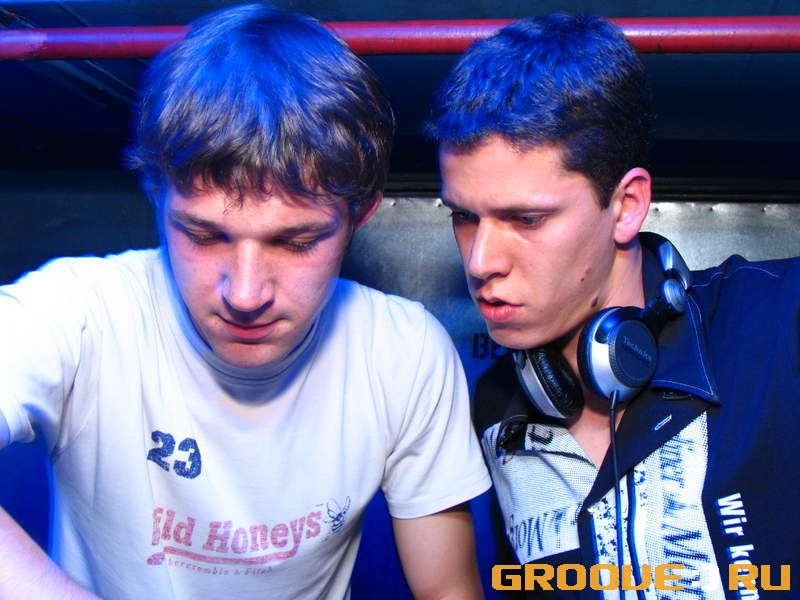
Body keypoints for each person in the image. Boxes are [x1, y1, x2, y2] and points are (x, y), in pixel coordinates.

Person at [0, 4, 492, 598]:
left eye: (296, 242)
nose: (245, 293)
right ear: (157, 198)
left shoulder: (402, 352)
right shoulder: (79, 314)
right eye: (204, 235)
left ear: (358, 218)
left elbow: (447, 590)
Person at [427, 13, 800, 597]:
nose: (480, 262)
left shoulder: (778, 320)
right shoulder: (497, 406)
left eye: (527, 219)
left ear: (626, 206)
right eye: (464, 216)